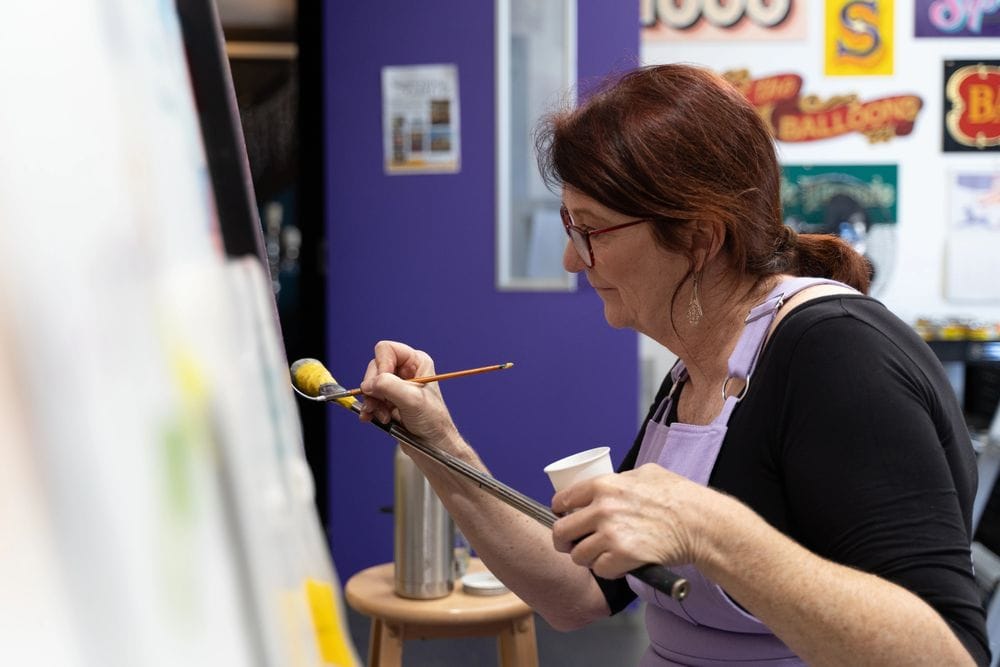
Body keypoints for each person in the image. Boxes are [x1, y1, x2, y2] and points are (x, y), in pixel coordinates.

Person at [355, 64, 990, 665]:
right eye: (568, 225)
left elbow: (948, 656)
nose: (573, 261)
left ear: (699, 237)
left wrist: (711, 531)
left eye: (592, 231)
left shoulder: (839, 359)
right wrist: (435, 442)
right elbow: (580, 595)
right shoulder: (699, 368)